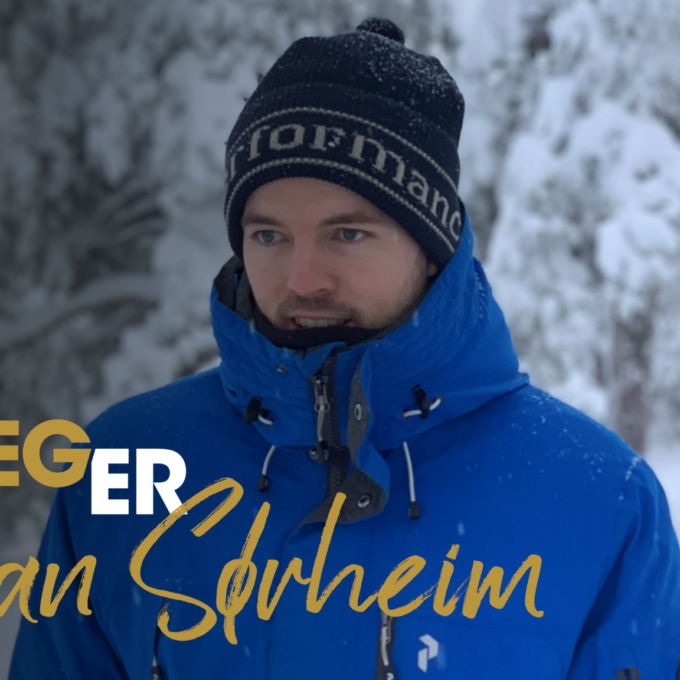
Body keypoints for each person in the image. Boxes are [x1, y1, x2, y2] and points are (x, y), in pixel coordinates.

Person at [10, 17, 680, 680]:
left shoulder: (596, 498)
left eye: (348, 234)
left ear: (432, 247)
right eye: (269, 236)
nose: (303, 280)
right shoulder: (126, 467)